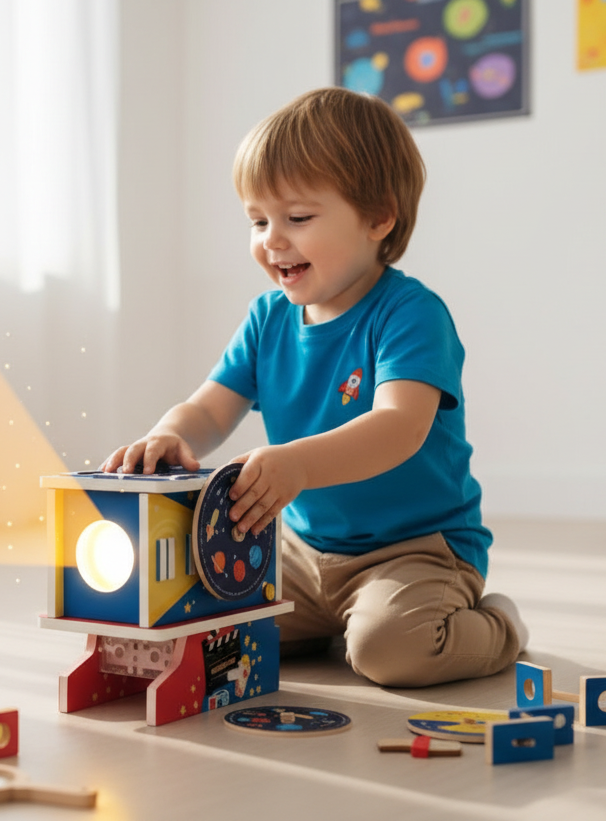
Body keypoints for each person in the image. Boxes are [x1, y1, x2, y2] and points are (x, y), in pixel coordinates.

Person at [101, 87, 527, 688]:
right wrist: (170, 433)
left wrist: (295, 465)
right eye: (258, 220)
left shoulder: (409, 312)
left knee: (391, 652)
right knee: (209, 629)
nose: (272, 239)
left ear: (379, 218)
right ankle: (334, 621)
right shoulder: (267, 317)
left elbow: (398, 428)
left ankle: (499, 624)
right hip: (303, 551)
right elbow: (210, 407)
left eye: (298, 218)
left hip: (414, 550)